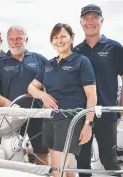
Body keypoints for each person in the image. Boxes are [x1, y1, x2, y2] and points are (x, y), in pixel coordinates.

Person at [28, 23, 97, 177]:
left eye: (63, 36)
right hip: (49, 119)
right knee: (65, 168)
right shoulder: (48, 64)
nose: (59, 40)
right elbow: (31, 88)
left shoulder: (81, 61)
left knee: (57, 168)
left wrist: (88, 124)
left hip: (70, 120)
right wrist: (43, 95)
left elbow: (92, 95)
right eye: (55, 37)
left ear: (72, 38)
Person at [0, 25, 49, 165]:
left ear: (26, 39)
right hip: (11, 116)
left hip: (37, 114)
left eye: (19, 38)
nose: (15, 42)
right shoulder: (0, 63)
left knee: (42, 152)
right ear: (7, 41)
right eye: (12, 39)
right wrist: (10, 105)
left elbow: (53, 84)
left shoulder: (39, 60)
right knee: (7, 151)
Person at [74, 4, 123, 177]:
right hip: (81, 114)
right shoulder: (76, 51)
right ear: (80, 23)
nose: (90, 22)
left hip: (107, 113)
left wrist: (120, 110)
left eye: (95, 18)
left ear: (102, 21)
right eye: (86, 18)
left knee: (109, 159)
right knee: (81, 161)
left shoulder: (115, 47)